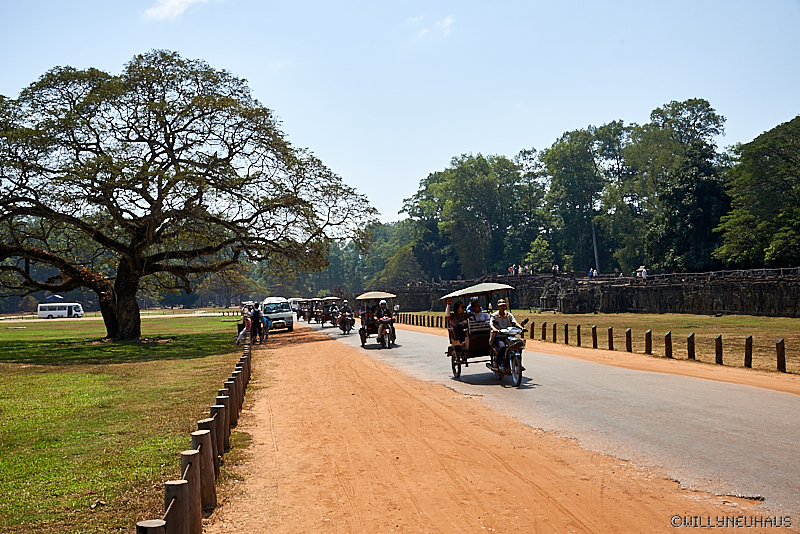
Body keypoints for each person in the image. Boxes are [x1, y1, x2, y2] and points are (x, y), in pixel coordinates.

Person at [490, 298, 522, 371]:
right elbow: (491, 324)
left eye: (504, 305)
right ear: (497, 307)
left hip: (509, 336)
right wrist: (495, 329)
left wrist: (521, 327)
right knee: (502, 347)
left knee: (519, 345)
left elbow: (514, 322)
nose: (502, 307)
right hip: (498, 336)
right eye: (500, 306)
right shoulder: (494, 315)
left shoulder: (509, 315)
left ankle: (518, 363)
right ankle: (496, 363)